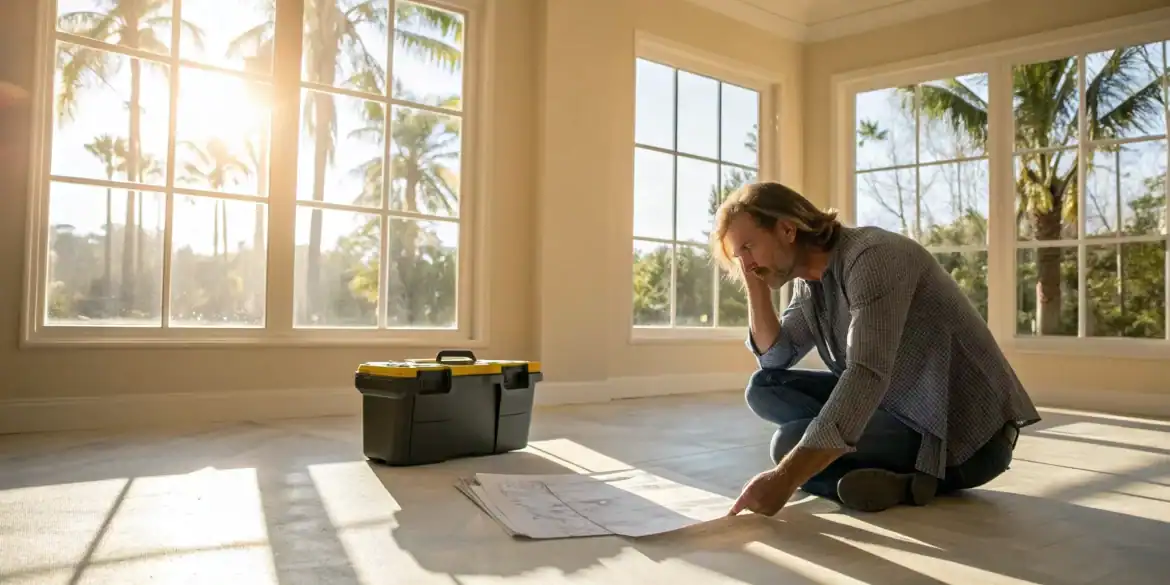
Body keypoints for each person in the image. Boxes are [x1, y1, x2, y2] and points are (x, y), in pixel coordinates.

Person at [712, 182, 1040, 515]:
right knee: (764, 388)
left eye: (748, 248)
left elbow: (866, 375)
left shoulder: (872, 257)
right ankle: (873, 470)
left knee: (788, 445)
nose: (746, 265)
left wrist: (785, 478)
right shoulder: (810, 286)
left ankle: (913, 482)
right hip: (897, 407)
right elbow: (774, 357)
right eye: (739, 258)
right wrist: (755, 288)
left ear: (786, 229)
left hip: (964, 438)